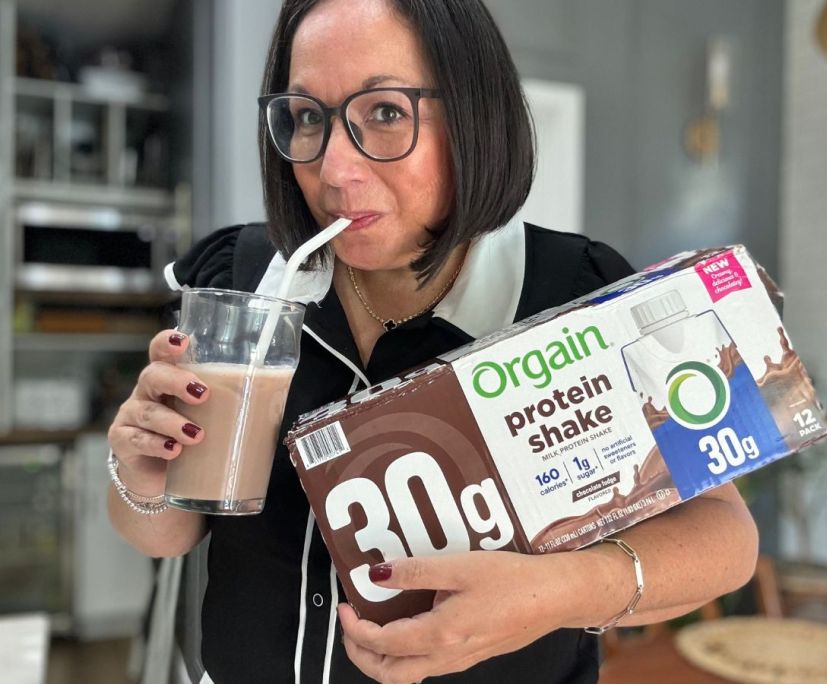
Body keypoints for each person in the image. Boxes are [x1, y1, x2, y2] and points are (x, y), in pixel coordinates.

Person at [107, 1, 759, 682]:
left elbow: (727, 537)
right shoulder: (241, 284)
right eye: (307, 117)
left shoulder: (578, 295)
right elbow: (167, 531)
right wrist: (142, 475)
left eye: (385, 112)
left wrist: (557, 592)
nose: (333, 170)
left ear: (474, 114)